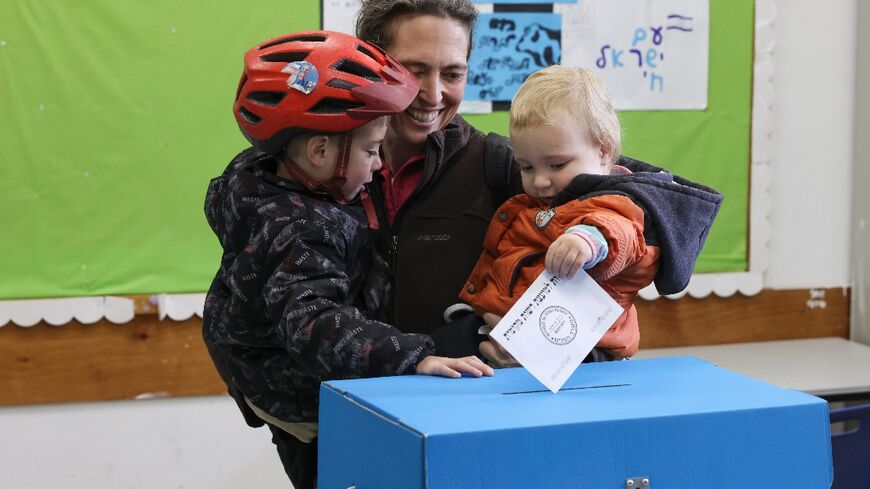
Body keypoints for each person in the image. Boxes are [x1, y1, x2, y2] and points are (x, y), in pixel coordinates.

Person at [202, 30, 492, 489]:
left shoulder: (264, 180)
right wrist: (413, 356)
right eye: (372, 151)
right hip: (307, 409)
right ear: (320, 152)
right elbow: (316, 324)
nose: (378, 166)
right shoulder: (297, 227)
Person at [457, 66, 724, 365]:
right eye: (527, 167)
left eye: (556, 165)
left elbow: (619, 231)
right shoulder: (543, 203)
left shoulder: (617, 201)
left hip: (585, 351)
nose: (540, 181)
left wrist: (586, 242)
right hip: (516, 330)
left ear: (603, 151)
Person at [355, 0, 524, 347]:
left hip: (462, 397)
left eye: (452, 74)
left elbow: (654, 188)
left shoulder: (502, 164)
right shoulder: (324, 162)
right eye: (414, 70)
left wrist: (532, 347)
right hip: (347, 398)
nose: (433, 95)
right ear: (370, 64)